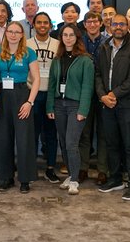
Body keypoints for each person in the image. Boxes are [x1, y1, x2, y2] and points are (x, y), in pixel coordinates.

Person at [95, 14, 130, 201]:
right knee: (112, 144)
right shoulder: (104, 46)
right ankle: (115, 179)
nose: (118, 27)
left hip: (128, 104)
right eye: (115, 23)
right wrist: (102, 95)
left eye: (122, 24)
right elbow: (98, 74)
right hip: (107, 104)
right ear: (110, 25)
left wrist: (114, 94)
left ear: (127, 26)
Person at [46, 24, 94, 195]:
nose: (68, 38)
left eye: (71, 35)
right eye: (65, 35)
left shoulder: (85, 60)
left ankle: (74, 179)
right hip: (59, 105)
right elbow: (52, 84)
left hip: (76, 106)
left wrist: (83, 110)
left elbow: (88, 87)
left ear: (77, 37)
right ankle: (71, 176)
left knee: (71, 143)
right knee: (63, 142)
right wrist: (50, 105)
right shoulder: (57, 59)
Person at [0, 21, 41, 193]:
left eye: (17, 32)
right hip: (2, 96)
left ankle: (25, 179)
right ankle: (6, 177)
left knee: (24, 139)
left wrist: (30, 102)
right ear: (6, 33)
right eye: (10, 31)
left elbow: (36, 79)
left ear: (22, 35)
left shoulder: (28, 52)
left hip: (22, 95)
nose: (13, 34)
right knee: (3, 138)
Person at [27, 12, 61, 183]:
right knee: (31, 133)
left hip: (51, 94)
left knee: (50, 134)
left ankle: (50, 168)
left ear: (50, 25)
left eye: (45, 22)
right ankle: (30, 167)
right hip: (32, 93)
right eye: (38, 22)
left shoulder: (57, 44)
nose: (42, 25)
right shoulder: (25, 44)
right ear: (33, 25)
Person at [79, 11, 109, 184]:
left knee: (103, 133)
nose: (92, 24)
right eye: (88, 22)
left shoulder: (108, 42)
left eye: (95, 21)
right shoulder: (79, 42)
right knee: (84, 133)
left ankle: (102, 170)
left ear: (100, 23)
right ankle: (83, 168)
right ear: (85, 24)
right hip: (84, 92)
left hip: (104, 92)